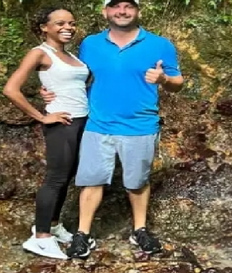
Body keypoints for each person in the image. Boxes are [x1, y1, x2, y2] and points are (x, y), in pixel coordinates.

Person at [43, 0, 184, 259]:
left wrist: (164, 79)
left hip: (140, 125)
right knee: (91, 181)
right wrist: (51, 91)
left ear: (137, 11)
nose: (122, 11)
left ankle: (139, 230)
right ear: (105, 11)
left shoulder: (160, 44)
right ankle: (83, 234)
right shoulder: (90, 44)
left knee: (137, 182)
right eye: (115, 6)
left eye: (128, 6)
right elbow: (76, 76)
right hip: (98, 124)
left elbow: (178, 82)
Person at [3, 6, 89, 260]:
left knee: (67, 176)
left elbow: (72, 85)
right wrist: (42, 116)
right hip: (61, 124)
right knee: (55, 178)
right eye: (60, 23)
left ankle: (53, 225)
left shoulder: (70, 55)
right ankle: (40, 237)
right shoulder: (40, 53)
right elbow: (11, 89)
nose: (68, 28)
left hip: (81, 121)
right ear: (44, 27)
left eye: (71, 23)